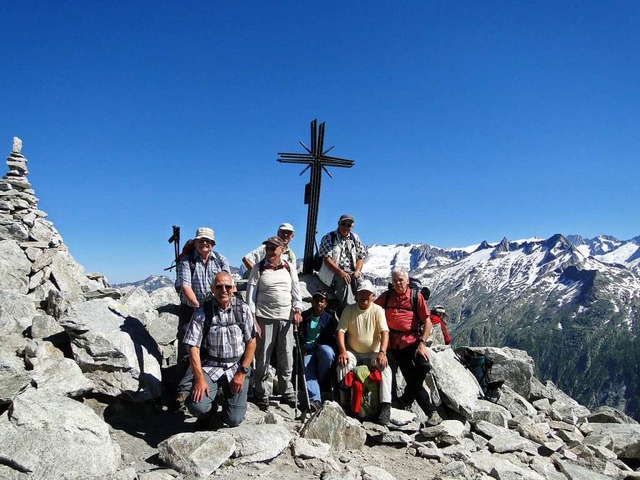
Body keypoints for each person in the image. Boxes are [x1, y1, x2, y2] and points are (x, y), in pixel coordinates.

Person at [180, 272, 256, 427]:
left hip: (237, 366)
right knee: (197, 407)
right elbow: (193, 347)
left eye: (228, 286)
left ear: (233, 288)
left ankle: (226, 402)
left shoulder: (243, 309)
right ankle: (210, 410)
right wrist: (199, 379)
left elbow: (251, 342)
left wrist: (242, 373)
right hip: (211, 365)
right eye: (219, 287)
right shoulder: (202, 312)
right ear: (212, 289)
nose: (224, 290)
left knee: (234, 420)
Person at [246, 236, 303, 411]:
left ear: (282, 250)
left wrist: (298, 309)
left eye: (273, 248)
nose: (270, 251)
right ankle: (261, 393)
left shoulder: (289, 267)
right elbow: (250, 296)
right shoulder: (258, 268)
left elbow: (295, 290)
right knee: (262, 356)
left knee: (287, 355)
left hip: (286, 318)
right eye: (268, 248)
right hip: (264, 318)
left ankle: (287, 391)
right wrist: (253, 319)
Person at [375, 268, 434, 417]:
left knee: (424, 366)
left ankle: (405, 399)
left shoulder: (416, 297)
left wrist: (422, 343)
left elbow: (427, 322)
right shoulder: (387, 296)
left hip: (412, 341)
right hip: (394, 344)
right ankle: (431, 412)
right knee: (410, 375)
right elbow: (372, 309)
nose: (398, 283)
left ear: (407, 281)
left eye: (401, 280)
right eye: (395, 280)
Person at [336, 279, 392, 425]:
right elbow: (340, 331)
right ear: (355, 296)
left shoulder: (377, 310)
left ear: (373, 296)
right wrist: (342, 351)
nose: (364, 297)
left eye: (367, 294)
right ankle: (344, 404)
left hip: (373, 351)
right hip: (353, 351)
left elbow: (385, 332)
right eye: (361, 293)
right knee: (343, 364)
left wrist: (382, 352)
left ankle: (385, 406)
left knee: (385, 368)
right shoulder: (349, 309)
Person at [175, 227, 230, 372]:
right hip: (191, 310)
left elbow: (228, 284)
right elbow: (185, 286)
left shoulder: (220, 260)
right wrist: (198, 307)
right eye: (201, 240)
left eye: (207, 241)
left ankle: (205, 382)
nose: (204, 243)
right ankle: (184, 387)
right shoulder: (187, 261)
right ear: (195, 242)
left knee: (211, 346)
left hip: (214, 310)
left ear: (213, 243)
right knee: (187, 348)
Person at [317, 214, 366, 311]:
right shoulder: (329, 237)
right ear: (338, 224)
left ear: (352, 227)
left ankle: (362, 309)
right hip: (333, 271)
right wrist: (340, 272)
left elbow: (360, 257)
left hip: (351, 271)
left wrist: (357, 271)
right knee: (344, 281)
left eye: (349, 225)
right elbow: (327, 259)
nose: (346, 227)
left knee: (361, 284)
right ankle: (348, 310)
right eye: (343, 224)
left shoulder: (355, 238)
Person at [299, 290, 338, 410]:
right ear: (312, 302)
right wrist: (302, 347)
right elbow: (299, 335)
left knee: (328, 353)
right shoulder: (305, 316)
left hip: (321, 347)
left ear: (326, 304)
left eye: (322, 301)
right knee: (305, 364)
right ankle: (315, 399)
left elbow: (327, 339)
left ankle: (321, 382)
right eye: (316, 301)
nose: (319, 304)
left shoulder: (330, 320)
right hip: (307, 350)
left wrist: (309, 346)